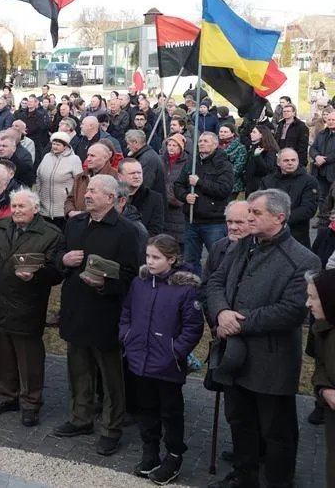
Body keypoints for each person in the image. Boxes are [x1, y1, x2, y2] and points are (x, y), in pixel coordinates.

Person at [203, 189, 320, 488]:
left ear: (279, 218)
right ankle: (245, 477)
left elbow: (292, 312)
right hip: (233, 354)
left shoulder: (304, 259)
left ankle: (279, 481)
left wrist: (238, 323)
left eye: (256, 213)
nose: (248, 218)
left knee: (275, 431)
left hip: (272, 362)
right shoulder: (242, 245)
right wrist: (220, 312)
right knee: (240, 421)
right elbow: (216, 281)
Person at [54, 174, 144, 457]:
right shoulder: (76, 223)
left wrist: (106, 285)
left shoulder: (127, 231)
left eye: (94, 191)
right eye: (88, 190)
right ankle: (81, 418)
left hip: (106, 312)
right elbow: (58, 257)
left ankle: (111, 428)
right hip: (75, 308)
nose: (88, 195)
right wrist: (63, 260)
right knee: (78, 369)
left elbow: (132, 276)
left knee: (111, 377)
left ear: (111, 198)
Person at [119, 234, 204, 484]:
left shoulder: (185, 290)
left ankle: (174, 455)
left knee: (170, 412)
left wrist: (175, 352)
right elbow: (127, 313)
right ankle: (150, 452)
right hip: (139, 360)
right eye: (148, 256)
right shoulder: (140, 283)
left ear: (172, 259)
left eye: (156, 257)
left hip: (167, 364)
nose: (150, 262)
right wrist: (127, 338)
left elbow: (192, 328)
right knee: (146, 409)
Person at [0, 187, 62, 427]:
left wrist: (36, 276)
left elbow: (57, 272)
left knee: (29, 359)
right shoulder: (0, 227)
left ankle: (31, 403)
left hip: (27, 304)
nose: (16, 210)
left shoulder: (50, 234)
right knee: (1, 354)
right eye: (14, 206)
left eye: (22, 206)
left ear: (35, 209)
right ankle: (6, 396)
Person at [172, 133, 233, 274]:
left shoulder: (223, 164)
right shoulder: (192, 162)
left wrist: (200, 182)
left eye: (205, 141)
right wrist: (185, 196)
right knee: (190, 260)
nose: (201, 143)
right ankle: (192, 290)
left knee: (217, 260)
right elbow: (178, 185)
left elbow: (224, 189)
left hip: (214, 221)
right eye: (199, 141)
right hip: (192, 220)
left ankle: (214, 288)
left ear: (215, 144)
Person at [306, 269, 335, 488]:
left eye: (313, 298)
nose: (308, 303)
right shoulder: (322, 329)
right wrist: (325, 389)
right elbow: (320, 365)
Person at [259, 148, 319, 249]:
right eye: (286, 160)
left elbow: (308, 209)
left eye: (293, 160)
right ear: (278, 163)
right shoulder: (268, 180)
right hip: (269, 235)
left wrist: (280, 221)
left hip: (297, 236)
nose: (290, 163)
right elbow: (260, 204)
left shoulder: (309, 181)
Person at [34, 131, 82, 229]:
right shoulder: (47, 157)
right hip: (44, 209)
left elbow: (79, 182)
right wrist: (39, 193)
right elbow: (38, 176)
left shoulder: (74, 159)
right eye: (53, 144)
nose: (54, 146)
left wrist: (73, 202)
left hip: (63, 210)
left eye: (58, 144)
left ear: (65, 146)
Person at [64, 142, 116, 217]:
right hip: (78, 223)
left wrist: (84, 215)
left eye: (92, 156)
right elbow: (70, 199)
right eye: (88, 155)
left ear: (105, 157)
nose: (88, 159)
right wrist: (70, 212)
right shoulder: (80, 177)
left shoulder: (115, 177)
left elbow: (116, 205)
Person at [118, 158, 164, 237]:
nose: (137, 176)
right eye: (132, 173)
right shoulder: (112, 195)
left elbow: (156, 230)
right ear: (120, 176)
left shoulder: (154, 198)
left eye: (139, 173)